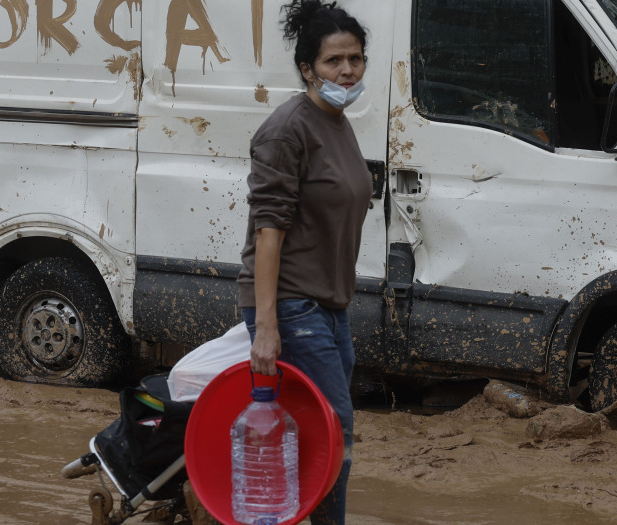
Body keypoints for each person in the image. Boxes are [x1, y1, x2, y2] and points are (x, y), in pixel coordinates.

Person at [236, 1, 370, 523]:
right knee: (334, 426)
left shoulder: (337, 121)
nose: (347, 71)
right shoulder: (287, 128)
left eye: (355, 59)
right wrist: (265, 328)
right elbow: (268, 230)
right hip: (292, 304)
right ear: (307, 68)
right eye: (334, 60)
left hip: (329, 305)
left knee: (327, 427)